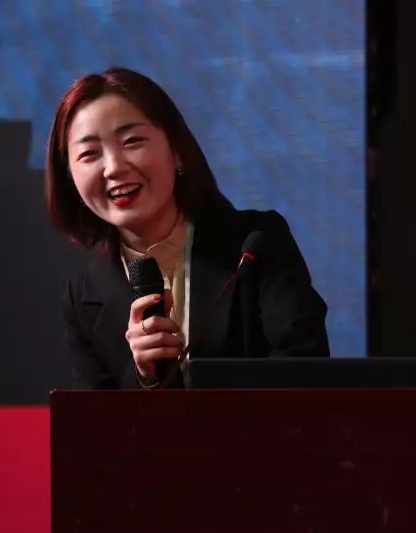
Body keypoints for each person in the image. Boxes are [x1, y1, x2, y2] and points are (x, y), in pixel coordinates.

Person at [44, 67, 329, 389]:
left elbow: (305, 368)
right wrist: (144, 378)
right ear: (70, 178)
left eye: (132, 141)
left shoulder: (256, 244)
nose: (113, 168)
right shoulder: (83, 297)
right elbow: (94, 417)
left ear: (176, 150)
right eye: (89, 153)